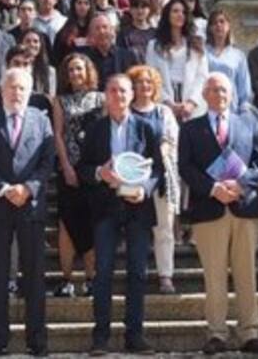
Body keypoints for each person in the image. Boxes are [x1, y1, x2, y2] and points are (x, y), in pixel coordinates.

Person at [178, 72, 258, 355]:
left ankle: (249, 332)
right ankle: (216, 333)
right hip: (209, 209)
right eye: (214, 90)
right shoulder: (190, 129)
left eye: (224, 90)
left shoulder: (249, 124)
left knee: (246, 274)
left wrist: (241, 185)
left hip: (244, 208)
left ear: (231, 94)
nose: (219, 95)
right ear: (204, 95)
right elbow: (185, 167)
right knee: (214, 275)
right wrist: (213, 188)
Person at [78, 73, 164, 355]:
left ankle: (135, 335)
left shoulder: (147, 128)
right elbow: (82, 168)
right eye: (113, 90)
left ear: (132, 94)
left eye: (124, 91)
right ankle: (100, 337)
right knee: (103, 271)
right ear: (106, 95)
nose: (119, 96)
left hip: (138, 208)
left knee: (138, 272)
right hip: (105, 208)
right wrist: (99, 173)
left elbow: (158, 170)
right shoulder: (95, 129)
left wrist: (145, 189)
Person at [0, 67, 55, 357]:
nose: (17, 93)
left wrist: (28, 188)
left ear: (29, 91)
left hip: (30, 206)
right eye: (12, 87)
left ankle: (37, 341)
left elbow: (47, 161)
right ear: (2, 90)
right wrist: (4, 188)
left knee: (34, 275)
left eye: (22, 88)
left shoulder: (42, 121)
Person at [50, 53, 103, 298]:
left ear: (88, 71)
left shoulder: (102, 99)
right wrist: (66, 166)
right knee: (67, 224)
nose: (75, 74)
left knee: (92, 223)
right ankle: (67, 279)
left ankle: (92, 278)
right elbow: (58, 134)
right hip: (70, 169)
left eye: (79, 69)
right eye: (71, 70)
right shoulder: (60, 101)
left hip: (95, 170)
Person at [128, 65, 180, 293]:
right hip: (131, 177)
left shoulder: (163, 112)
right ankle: (135, 273)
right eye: (139, 82)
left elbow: (171, 140)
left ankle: (165, 275)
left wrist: (159, 154)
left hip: (161, 176)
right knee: (134, 228)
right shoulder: (125, 111)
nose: (144, 86)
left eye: (148, 82)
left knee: (164, 228)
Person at [151, 0, 207, 124]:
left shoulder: (196, 45)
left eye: (183, 12)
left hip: (192, 106)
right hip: (164, 103)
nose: (180, 15)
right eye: (175, 11)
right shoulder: (154, 46)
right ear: (167, 15)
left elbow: (202, 77)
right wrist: (168, 104)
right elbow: (152, 77)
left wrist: (191, 103)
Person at [205, 9, 254, 115]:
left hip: (231, 109)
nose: (218, 25)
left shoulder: (238, 55)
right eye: (214, 23)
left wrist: (244, 110)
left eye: (222, 22)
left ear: (228, 26)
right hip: (206, 108)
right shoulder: (203, 53)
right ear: (210, 28)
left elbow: (244, 87)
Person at [84, 14, 136, 88]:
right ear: (91, 34)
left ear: (112, 31)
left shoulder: (128, 56)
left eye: (105, 27)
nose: (101, 31)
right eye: (97, 28)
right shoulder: (85, 59)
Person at [53, 0, 94, 64]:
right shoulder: (65, 30)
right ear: (74, 5)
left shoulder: (95, 28)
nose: (82, 6)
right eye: (79, 3)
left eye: (86, 3)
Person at [118, 0, 156, 64]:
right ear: (130, 9)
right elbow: (120, 59)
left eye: (143, 7)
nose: (140, 10)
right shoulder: (123, 34)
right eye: (136, 6)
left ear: (149, 9)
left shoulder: (155, 33)